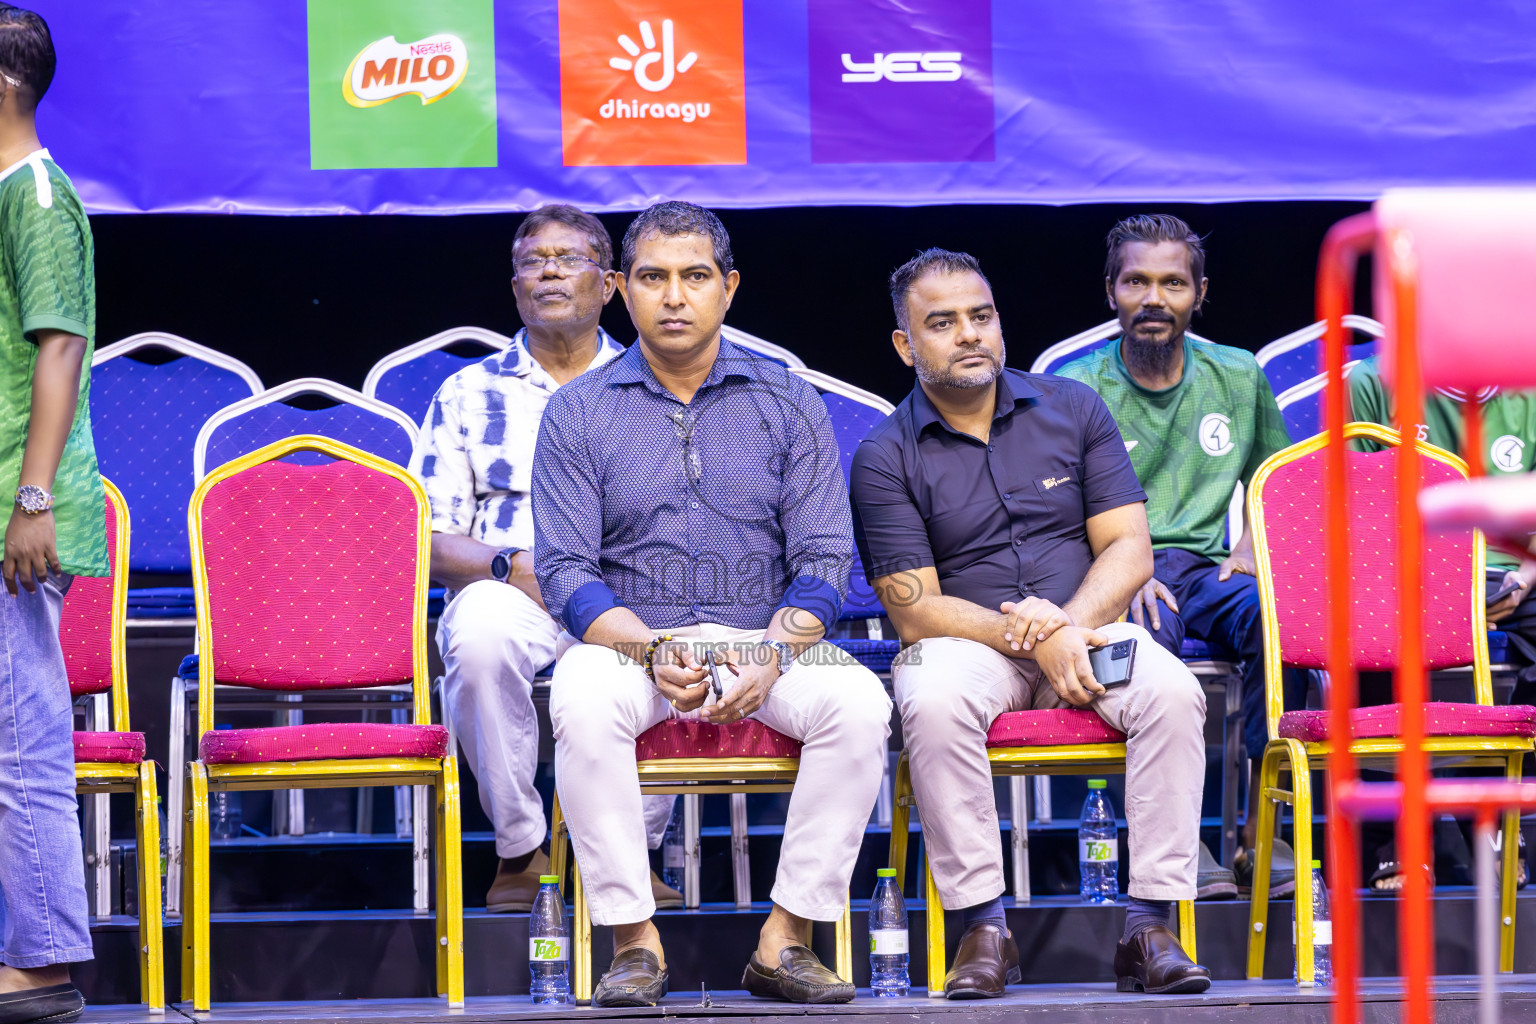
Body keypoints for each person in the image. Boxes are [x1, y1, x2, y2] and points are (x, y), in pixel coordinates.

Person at [534, 201, 890, 1007]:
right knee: (583, 699)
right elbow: (563, 570)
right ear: (621, 289)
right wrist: (650, 653)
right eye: (653, 278)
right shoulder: (578, 412)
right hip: (634, 643)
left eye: (695, 277)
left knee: (860, 702)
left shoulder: (785, 400)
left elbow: (827, 557)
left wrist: (776, 650)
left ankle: (785, 937)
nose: (673, 296)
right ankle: (633, 941)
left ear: (728, 288)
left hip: (760, 635)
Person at [851, 248, 1210, 998]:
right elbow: (912, 606)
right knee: (930, 695)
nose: (969, 334)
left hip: (1088, 636)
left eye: (981, 316)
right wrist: (1034, 638)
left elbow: (1129, 548)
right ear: (904, 345)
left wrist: (1068, 628)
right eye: (942, 323)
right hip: (971, 650)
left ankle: (1148, 925)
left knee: (1173, 693)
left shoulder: (1072, 408)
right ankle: (984, 927)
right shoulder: (885, 454)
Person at [409, 205, 679, 914]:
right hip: (514, 586)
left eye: (569, 258)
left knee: (680, 625)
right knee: (479, 635)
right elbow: (430, 541)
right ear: (516, 285)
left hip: (628, 588)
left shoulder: (660, 384)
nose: (551, 271)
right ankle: (520, 850)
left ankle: (629, 854)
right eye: (534, 261)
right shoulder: (468, 392)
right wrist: (510, 566)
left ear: (612, 284)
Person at [1056, 215, 1298, 899]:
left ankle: (1266, 833)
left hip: (1206, 569)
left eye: (1172, 282)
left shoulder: (1238, 376)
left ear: (1199, 293)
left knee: (1279, 621)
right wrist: (1113, 574)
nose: (1154, 297)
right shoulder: (1076, 388)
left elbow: (1278, 474)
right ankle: (1179, 840)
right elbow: (1049, 508)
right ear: (1111, 291)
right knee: (1141, 645)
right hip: (1115, 566)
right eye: (1137, 281)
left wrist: (1253, 541)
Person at [0, 8, 106, 1023]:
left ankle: (38, 965)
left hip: (15, 509)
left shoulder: (35, 193)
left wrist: (32, 498)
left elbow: (59, 346)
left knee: (19, 738)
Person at [1349, 355, 1535, 889]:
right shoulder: (1373, 383)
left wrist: (1522, 578)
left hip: (1509, 576)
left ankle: (1503, 819)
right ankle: (1400, 839)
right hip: (1401, 575)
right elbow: (1353, 510)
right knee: (1373, 641)